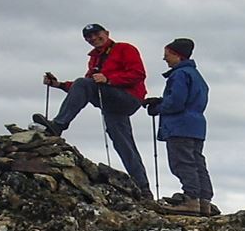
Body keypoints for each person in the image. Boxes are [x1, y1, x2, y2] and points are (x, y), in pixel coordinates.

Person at [33, 23, 152, 197]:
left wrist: (109, 78)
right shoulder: (95, 58)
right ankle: (143, 188)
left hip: (128, 98)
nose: (93, 38)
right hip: (112, 103)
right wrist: (58, 85)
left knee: (83, 83)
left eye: (97, 34)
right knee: (123, 143)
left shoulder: (125, 49)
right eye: (89, 37)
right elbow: (84, 87)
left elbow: (138, 74)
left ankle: (58, 125)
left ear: (107, 33)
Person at [146, 38, 214, 216]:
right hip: (196, 125)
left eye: (167, 55)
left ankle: (191, 200)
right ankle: (204, 202)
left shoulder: (179, 74)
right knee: (197, 162)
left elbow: (176, 102)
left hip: (179, 126)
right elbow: (189, 99)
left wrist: (158, 107)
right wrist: (162, 102)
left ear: (177, 55)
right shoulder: (196, 75)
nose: (165, 59)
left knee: (182, 162)